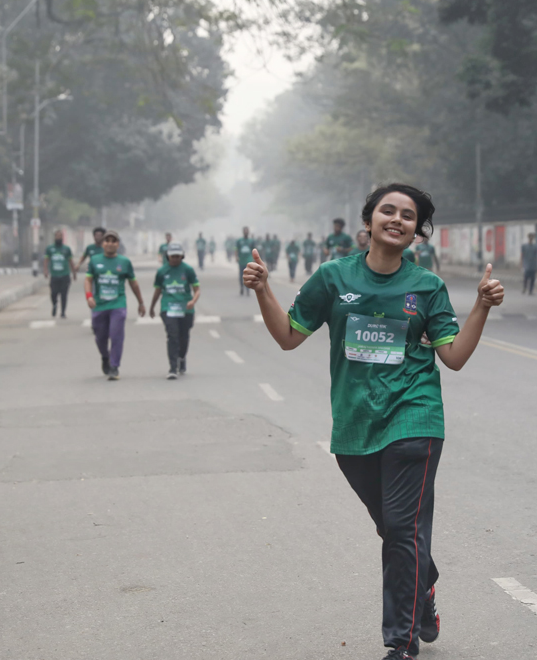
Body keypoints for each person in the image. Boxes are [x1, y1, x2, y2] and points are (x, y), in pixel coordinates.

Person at [245, 183, 504, 660]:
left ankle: (400, 644)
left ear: (417, 232)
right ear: (368, 220)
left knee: (403, 531)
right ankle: (423, 589)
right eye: (388, 210)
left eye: (409, 215)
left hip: (415, 418)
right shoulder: (332, 278)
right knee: (394, 530)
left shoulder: (427, 287)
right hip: (354, 426)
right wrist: (264, 290)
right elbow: (287, 337)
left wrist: (482, 307)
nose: (397, 219)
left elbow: (455, 357)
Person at [84, 230, 146, 380]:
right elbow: (88, 280)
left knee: (116, 334)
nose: (110, 243)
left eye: (113, 241)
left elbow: (133, 283)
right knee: (100, 337)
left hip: (118, 304)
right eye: (107, 241)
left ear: (118, 244)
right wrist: (89, 296)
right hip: (99, 305)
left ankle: (114, 366)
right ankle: (105, 357)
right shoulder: (94, 260)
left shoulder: (124, 262)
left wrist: (141, 302)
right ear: (103, 243)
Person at [150, 242, 200, 379]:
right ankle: (172, 367)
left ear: (182, 256)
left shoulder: (188, 270)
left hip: (186, 309)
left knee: (184, 336)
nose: (175, 259)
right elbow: (158, 290)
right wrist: (152, 307)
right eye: (173, 256)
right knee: (172, 335)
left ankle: (181, 357)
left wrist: (193, 301)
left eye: (178, 256)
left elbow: (196, 289)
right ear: (168, 256)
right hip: (168, 307)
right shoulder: (162, 272)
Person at [44, 230, 75, 318]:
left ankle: (63, 312)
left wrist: (74, 272)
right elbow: (46, 260)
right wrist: (46, 270)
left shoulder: (66, 249)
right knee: (53, 293)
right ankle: (54, 305)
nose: (58, 238)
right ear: (54, 237)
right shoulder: (50, 249)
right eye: (57, 236)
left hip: (65, 275)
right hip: (54, 275)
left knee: (64, 294)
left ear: (62, 238)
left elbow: (70, 261)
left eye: (60, 236)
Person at [235, 227, 255, 296]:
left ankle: (248, 289)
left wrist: (254, 259)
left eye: (247, 231)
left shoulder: (251, 241)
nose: (246, 232)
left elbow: (254, 250)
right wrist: (236, 257)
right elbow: (236, 249)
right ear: (243, 232)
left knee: (249, 275)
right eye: (245, 231)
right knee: (241, 275)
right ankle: (241, 287)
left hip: (249, 260)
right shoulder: (239, 241)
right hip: (241, 260)